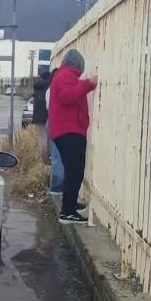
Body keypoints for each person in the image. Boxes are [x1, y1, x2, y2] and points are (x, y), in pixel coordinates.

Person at [49, 49, 97, 224]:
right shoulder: (65, 76)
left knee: (73, 171)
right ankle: (67, 213)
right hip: (69, 131)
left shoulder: (63, 76)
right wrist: (88, 84)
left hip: (67, 130)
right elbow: (67, 96)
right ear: (78, 65)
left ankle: (70, 205)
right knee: (74, 171)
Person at [31, 70, 51, 162]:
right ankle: (46, 159)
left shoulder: (36, 86)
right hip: (47, 115)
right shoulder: (49, 86)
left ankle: (43, 160)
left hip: (37, 117)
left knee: (41, 138)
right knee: (48, 138)